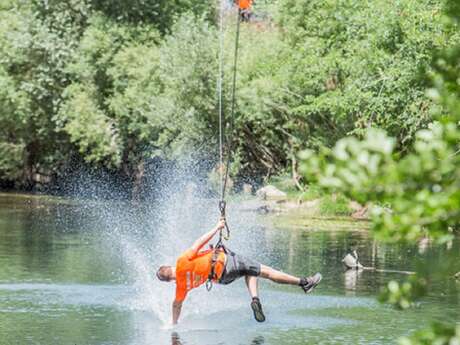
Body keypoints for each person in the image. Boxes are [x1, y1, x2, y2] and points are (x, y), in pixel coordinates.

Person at [156, 218, 322, 324]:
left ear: (170, 280)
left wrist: (174, 324)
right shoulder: (181, 262)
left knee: (250, 272)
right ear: (170, 268)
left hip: (222, 279)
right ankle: (305, 283)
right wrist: (217, 227)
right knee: (266, 271)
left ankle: (255, 299)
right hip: (227, 263)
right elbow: (199, 242)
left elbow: (176, 305)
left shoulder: (181, 287)